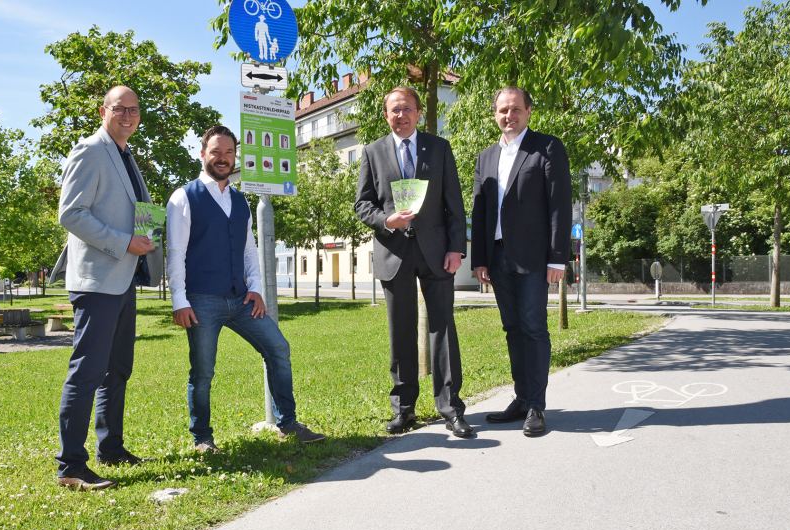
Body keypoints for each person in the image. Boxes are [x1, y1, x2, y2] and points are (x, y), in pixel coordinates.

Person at [166, 125, 325, 453]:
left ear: (235, 156)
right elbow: (176, 253)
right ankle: (202, 439)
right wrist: (178, 300)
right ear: (202, 154)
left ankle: (288, 423)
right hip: (201, 300)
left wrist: (256, 288)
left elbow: (248, 251)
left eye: (229, 153)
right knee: (204, 371)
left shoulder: (240, 201)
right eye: (216, 152)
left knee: (278, 348)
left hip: (241, 298)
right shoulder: (184, 197)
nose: (223, 159)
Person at [55, 86, 163, 490]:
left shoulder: (126, 154)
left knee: (116, 370)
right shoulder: (90, 150)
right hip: (97, 282)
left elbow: (133, 210)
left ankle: (111, 448)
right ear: (104, 111)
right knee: (87, 372)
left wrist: (147, 235)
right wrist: (123, 242)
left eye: (134, 110)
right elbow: (71, 213)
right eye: (120, 109)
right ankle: (70, 466)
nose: (128, 116)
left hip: (124, 279)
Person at [354, 86, 473, 438]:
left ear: (418, 113)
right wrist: (385, 221)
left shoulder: (439, 149)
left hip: (437, 253)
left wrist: (457, 248)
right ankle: (403, 409)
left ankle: (451, 408)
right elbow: (362, 204)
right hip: (394, 252)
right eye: (394, 110)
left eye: (407, 109)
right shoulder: (372, 152)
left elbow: (455, 203)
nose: (401, 115)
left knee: (443, 329)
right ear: (385, 115)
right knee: (400, 332)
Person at [471, 86, 572, 437]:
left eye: (515, 109)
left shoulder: (547, 147)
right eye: (502, 110)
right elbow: (480, 211)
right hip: (497, 258)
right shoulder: (485, 157)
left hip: (533, 258)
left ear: (528, 111)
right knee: (512, 329)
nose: (508, 116)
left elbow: (560, 205)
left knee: (533, 329)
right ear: (494, 114)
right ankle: (520, 397)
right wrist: (479, 259)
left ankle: (536, 406)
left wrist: (558, 257)